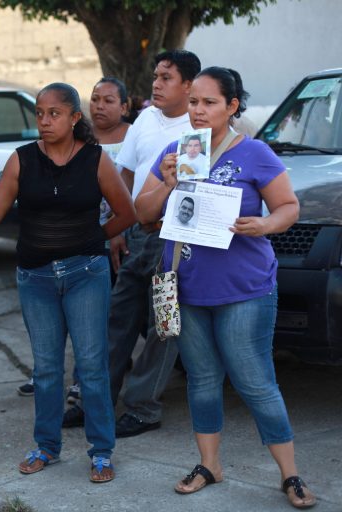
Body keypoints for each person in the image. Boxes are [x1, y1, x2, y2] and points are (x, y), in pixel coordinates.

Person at [0, 83, 136, 482]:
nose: (44, 120)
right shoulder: (22, 160)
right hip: (35, 278)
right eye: (39, 112)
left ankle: (102, 451)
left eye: (54, 113)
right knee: (45, 370)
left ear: (75, 118)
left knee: (92, 367)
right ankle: (46, 446)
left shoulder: (95, 160)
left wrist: (94, 238)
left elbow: (127, 212)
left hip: (85, 275)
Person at [135, 66, 316, 510]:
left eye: (209, 102)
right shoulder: (176, 152)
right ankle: (209, 465)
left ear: (232, 106)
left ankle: (290, 475)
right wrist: (168, 183)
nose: (198, 110)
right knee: (202, 380)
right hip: (189, 286)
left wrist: (264, 224)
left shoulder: (254, 153)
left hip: (244, 288)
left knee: (254, 381)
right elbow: (142, 212)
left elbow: (289, 207)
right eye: (193, 101)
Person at [108, 49, 200, 438]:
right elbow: (124, 175)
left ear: (188, 85)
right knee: (116, 318)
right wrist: (116, 227)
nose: (156, 84)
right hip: (137, 236)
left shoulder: (198, 131)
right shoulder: (144, 118)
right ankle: (94, 396)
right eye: (156, 77)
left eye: (166, 77)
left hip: (174, 242)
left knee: (164, 326)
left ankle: (143, 406)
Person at [62, 76, 132, 428]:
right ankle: (81, 395)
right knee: (89, 322)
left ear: (125, 106)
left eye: (108, 100)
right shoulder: (79, 140)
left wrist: (118, 231)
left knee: (137, 320)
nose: (100, 106)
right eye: (94, 99)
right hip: (87, 245)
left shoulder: (135, 137)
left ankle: (137, 392)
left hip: (129, 240)